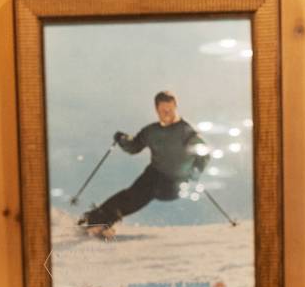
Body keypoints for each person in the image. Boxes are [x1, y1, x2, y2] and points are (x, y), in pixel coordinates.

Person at [78, 91, 209, 237]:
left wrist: (195, 171)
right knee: (132, 194)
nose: (167, 114)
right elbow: (135, 146)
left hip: (175, 183)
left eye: (170, 109)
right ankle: (97, 220)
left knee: (142, 192)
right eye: (163, 110)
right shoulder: (151, 131)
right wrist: (123, 140)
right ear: (156, 110)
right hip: (154, 174)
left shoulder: (186, 132)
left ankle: (100, 221)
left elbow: (204, 153)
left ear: (176, 108)